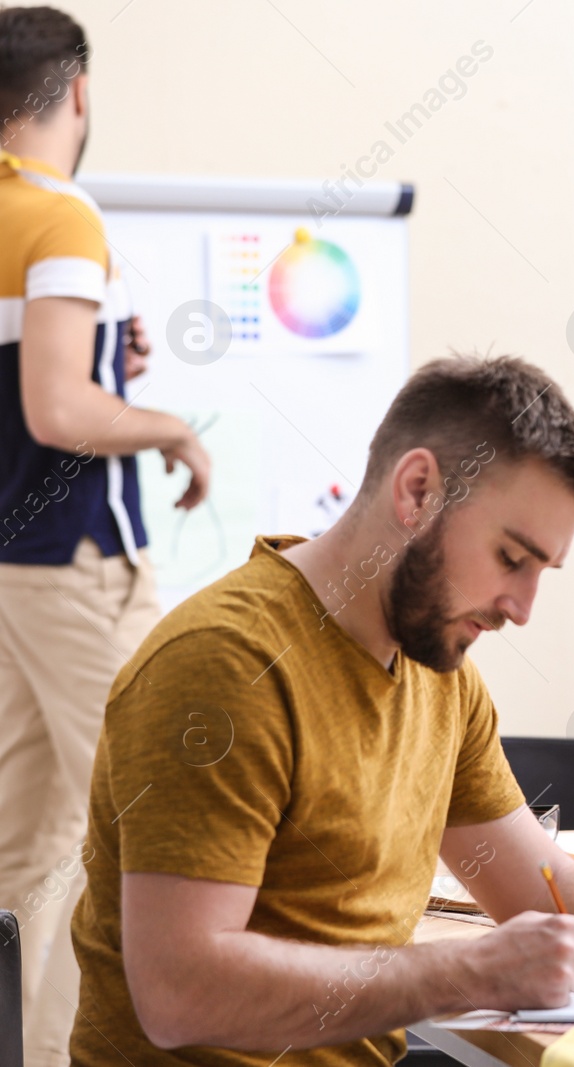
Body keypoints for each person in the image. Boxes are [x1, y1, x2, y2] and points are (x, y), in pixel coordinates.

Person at [69, 354, 574, 1067]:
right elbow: (179, 992)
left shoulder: (436, 669)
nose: (522, 607)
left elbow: (542, 883)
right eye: (511, 558)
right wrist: (467, 970)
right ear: (416, 490)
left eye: (542, 570)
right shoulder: (224, 668)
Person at [0, 8, 211, 1065]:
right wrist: (170, 425)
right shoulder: (59, 217)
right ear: (75, 92)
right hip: (75, 563)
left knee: (23, 842)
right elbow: (56, 413)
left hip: (12, 568)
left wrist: (99, 365)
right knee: (136, 820)